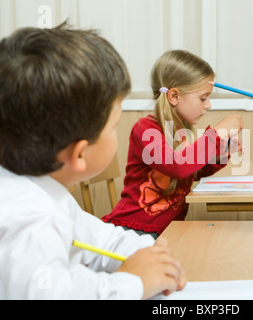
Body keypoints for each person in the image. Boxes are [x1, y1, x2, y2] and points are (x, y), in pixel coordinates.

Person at [0, 24, 185, 300]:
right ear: (80, 154)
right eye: (113, 126)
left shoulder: (31, 182)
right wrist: (134, 282)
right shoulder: (24, 221)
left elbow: (95, 239)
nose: (116, 133)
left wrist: (145, 252)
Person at [103, 50, 243, 237]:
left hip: (166, 232)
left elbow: (191, 172)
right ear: (174, 96)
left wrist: (223, 151)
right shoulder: (146, 130)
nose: (208, 105)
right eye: (203, 98)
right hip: (135, 230)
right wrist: (216, 134)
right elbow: (177, 167)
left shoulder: (179, 132)